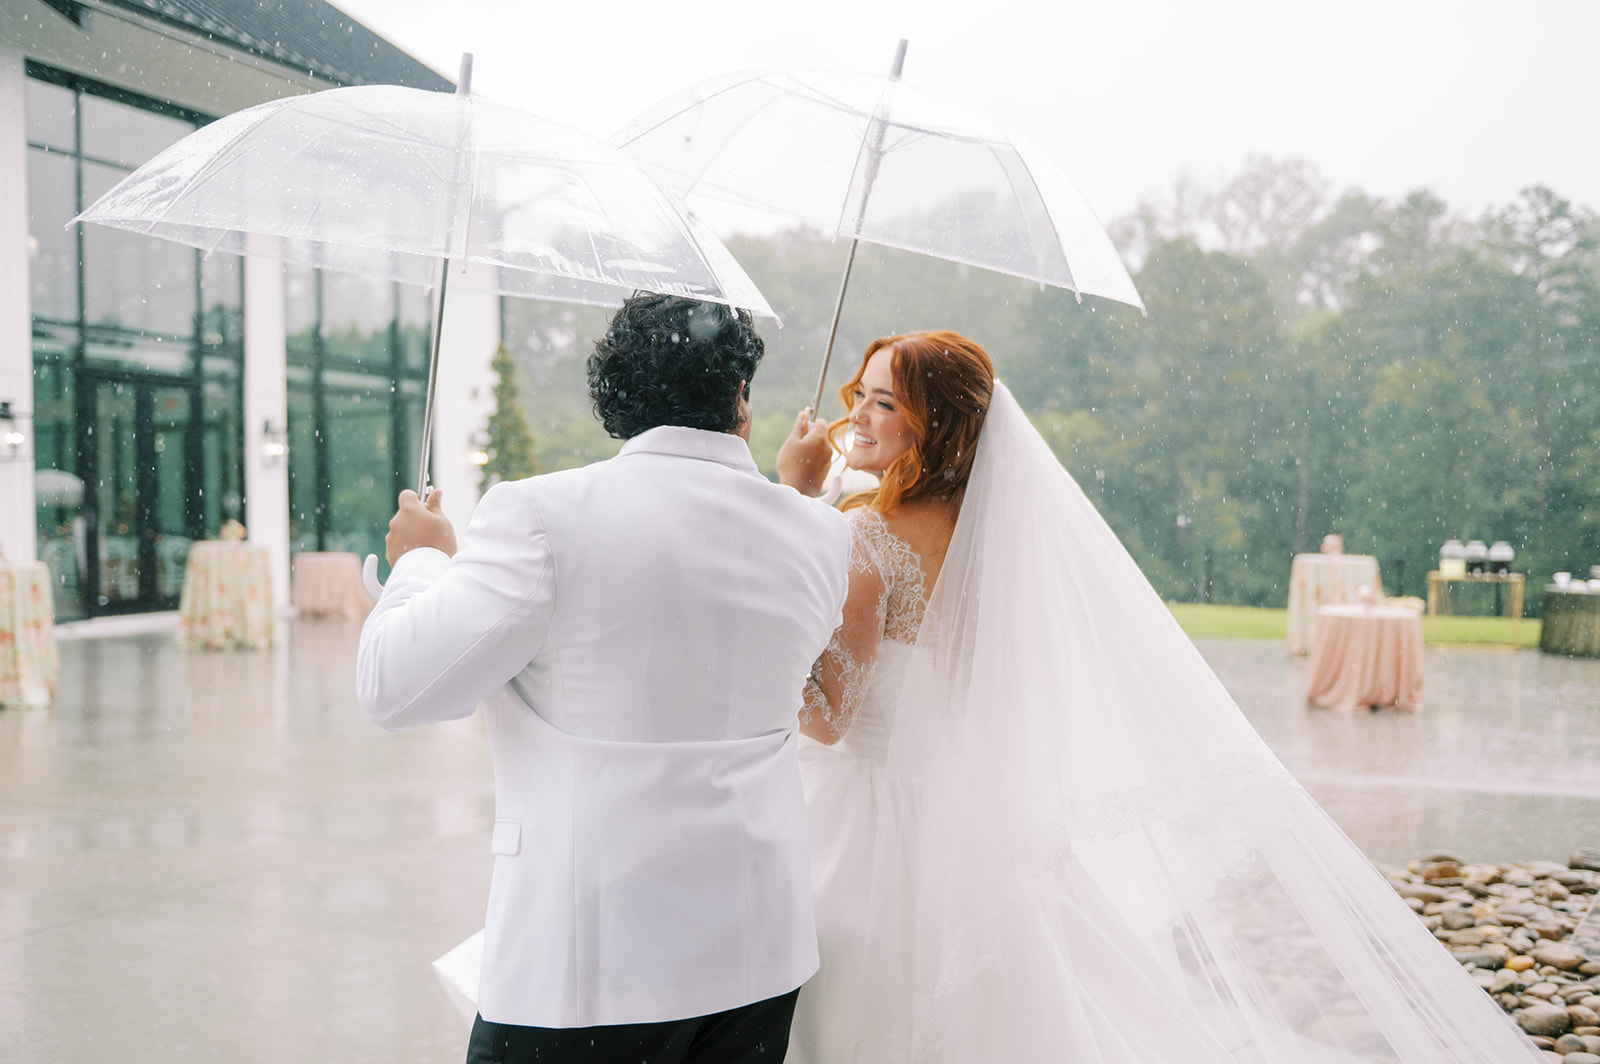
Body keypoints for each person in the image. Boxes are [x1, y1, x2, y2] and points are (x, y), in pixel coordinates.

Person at [774, 331, 1542, 1063]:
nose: (857, 416)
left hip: (865, 815)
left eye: (884, 402)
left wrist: (792, 507)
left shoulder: (867, 537)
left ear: (936, 425)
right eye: (859, 394)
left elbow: (828, 720)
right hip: (965, 813)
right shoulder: (992, 540)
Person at [357, 293, 850, 1064]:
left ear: (616, 398)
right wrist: (794, 492)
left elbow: (393, 686)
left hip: (589, 965)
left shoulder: (540, 516)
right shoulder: (821, 533)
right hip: (758, 952)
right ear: (740, 398)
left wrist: (421, 560)